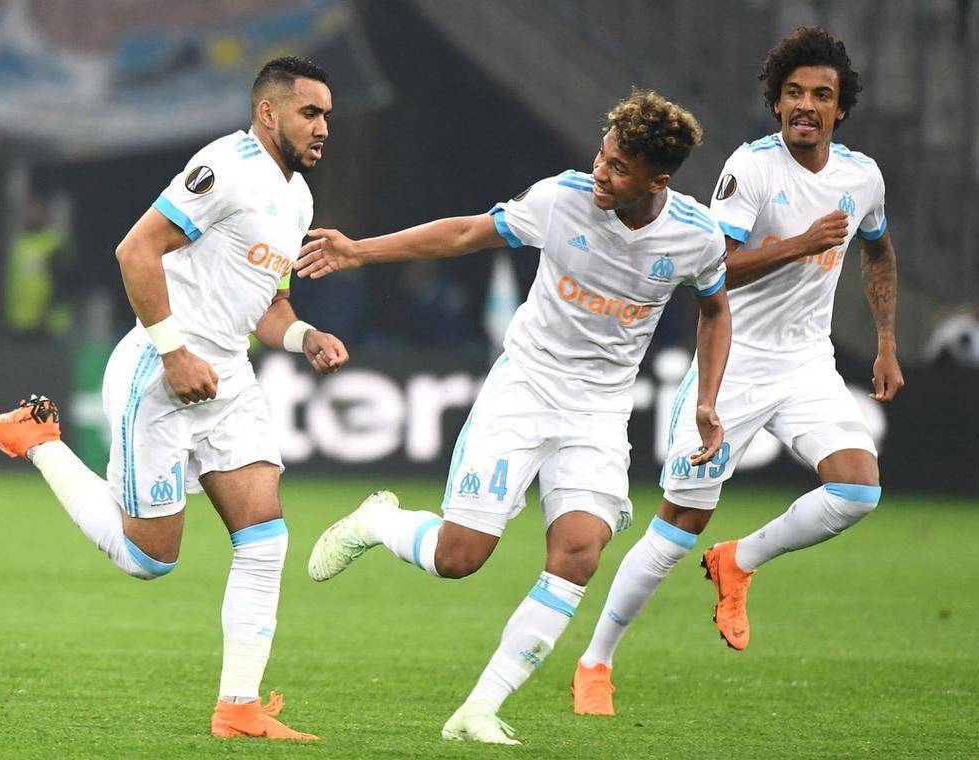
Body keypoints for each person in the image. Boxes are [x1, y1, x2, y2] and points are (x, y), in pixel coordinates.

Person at [296, 90, 732, 745]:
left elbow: (715, 311)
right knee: (459, 558)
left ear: (657, 180)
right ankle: (378, 522)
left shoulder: (696, 236)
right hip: (525, 388)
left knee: (579, 555)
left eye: (618, 168)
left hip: (598, 411)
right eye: (602, 155)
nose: (600, 172)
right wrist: (360, 251)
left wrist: (707, 398)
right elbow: (466, 233)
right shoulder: (561, 199)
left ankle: (477, 709)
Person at [0, 56, 347, 741]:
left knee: (265, 539)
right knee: (148, 560)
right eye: (309, 112)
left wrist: (304, 337)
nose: (323, 128)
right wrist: (173, 353)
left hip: (229, 377)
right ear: (268, 112)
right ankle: (39, 440)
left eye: (327, 116)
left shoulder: (299, 200)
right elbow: (134, 250)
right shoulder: (224, 168)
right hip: (161, 372)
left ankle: (238, 709)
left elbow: (271, 307)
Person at [571, 26, 904, 716]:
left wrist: (885, 340)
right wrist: (799, 245)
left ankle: (739, 560)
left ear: (841, 108)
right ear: (776, 102)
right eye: (793, 93)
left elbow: (877, 249)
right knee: (676, 527)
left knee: (857, 490)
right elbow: (713, 269)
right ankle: (595, 661)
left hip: (807, 363)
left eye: (821, 95)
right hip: (735, 362)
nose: (806, 105)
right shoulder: (750, 169)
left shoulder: (862, 177)